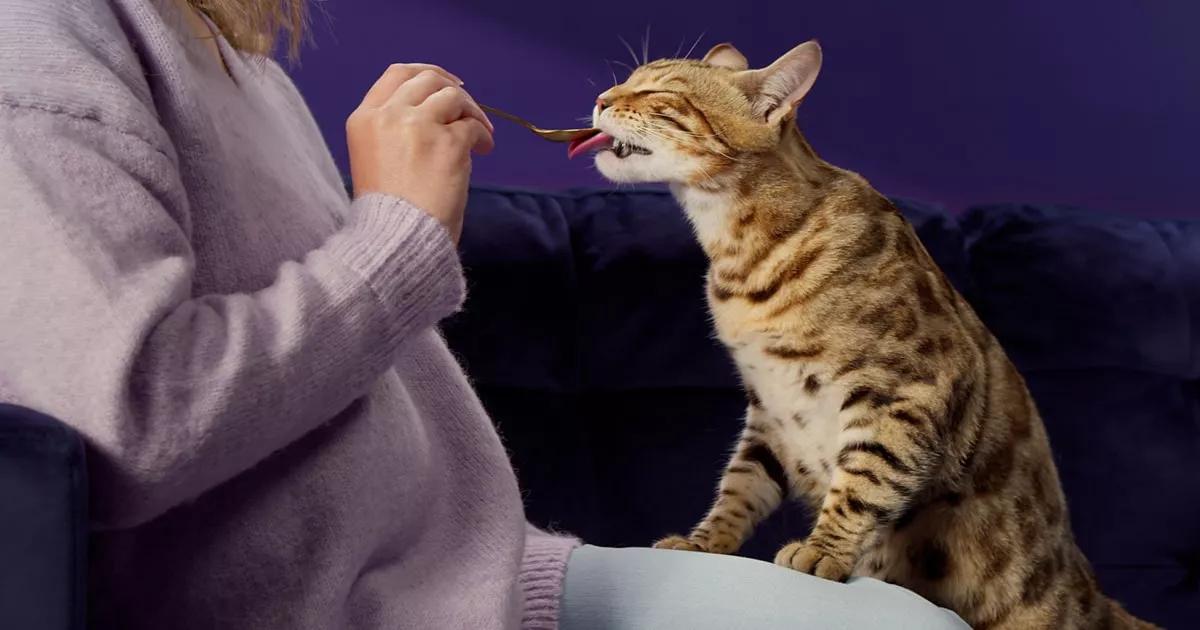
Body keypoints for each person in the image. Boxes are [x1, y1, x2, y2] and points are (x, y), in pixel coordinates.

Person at [0, 1, 968, 628]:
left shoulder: (230, 48)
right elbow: (125, 431)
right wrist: (403, 232)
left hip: (479, 583)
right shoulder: (41, 38)